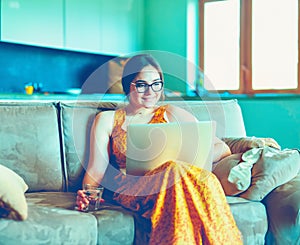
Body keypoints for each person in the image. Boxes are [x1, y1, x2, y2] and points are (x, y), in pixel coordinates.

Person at [76, 54, 243, 244]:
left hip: (177, 178)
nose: (150, 91)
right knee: (174, 172)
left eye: (156, 84)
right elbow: (96, 169)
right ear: (127, 85)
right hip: (132, 187)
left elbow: (222, 148)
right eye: (141, 85)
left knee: (195, 175)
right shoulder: (108, 119)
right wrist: (87, 195)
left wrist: (184, 158)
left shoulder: (172, 113)